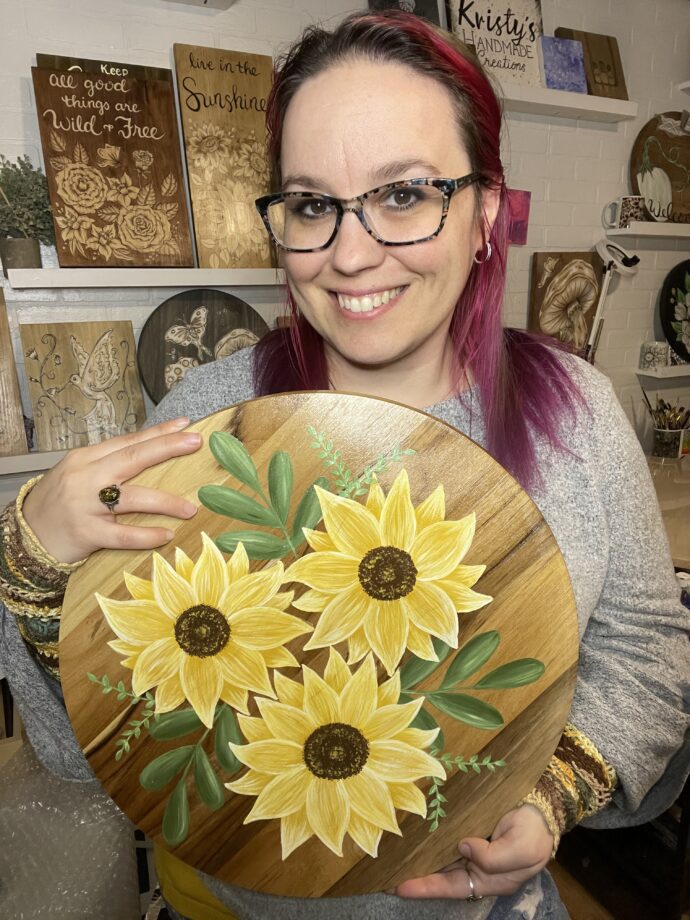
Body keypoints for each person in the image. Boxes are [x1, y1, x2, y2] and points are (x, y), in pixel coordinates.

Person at [1, 10, 688, 920]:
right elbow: (102, 736)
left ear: (485, 209)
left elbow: (647, 648)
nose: (350, 252)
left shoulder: (577, 415)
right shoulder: (207, 425)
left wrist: (552, 793)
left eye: (404, 193)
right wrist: (33, 573)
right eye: (314, 204)